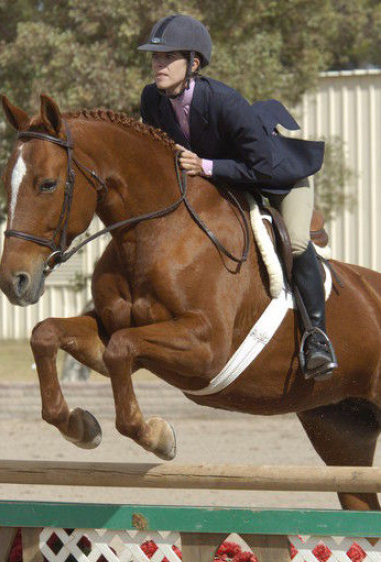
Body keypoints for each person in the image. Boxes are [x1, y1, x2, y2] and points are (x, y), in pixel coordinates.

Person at [138, 14, 337, 381]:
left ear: (193, 63)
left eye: (167, 57)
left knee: (293, 241)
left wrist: (207, 167)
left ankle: (317, 339)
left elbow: (261, 168)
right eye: (155, 57)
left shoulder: (225, 102)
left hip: (278, 179)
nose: (158, 65)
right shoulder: (152, 100)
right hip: (223, 184)